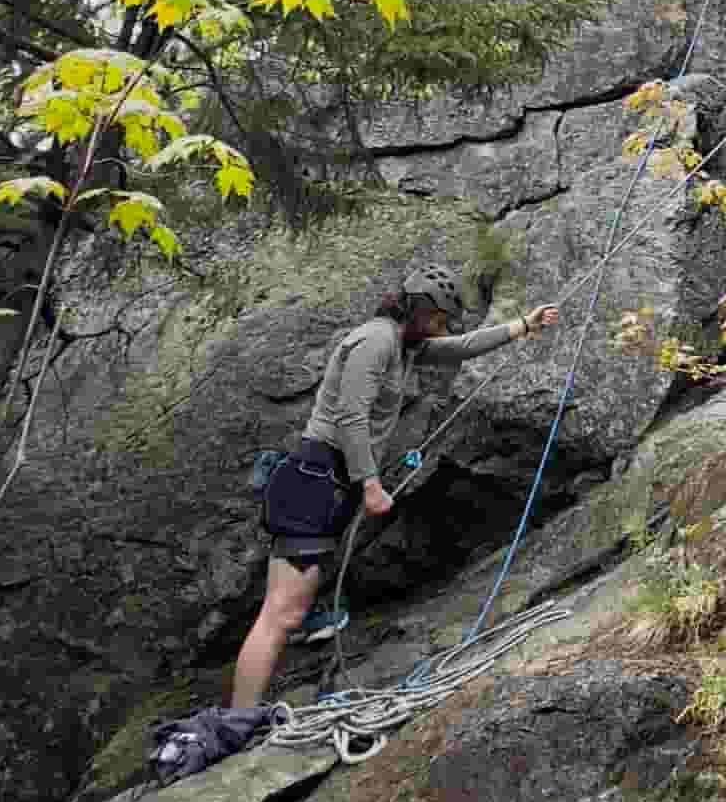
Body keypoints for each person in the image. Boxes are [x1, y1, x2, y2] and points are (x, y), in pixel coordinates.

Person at [229, 260, 560, 706]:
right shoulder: (375, 341)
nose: (443, 329)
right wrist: (369, 483)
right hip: (316, 479)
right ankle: (238, 720)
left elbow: (460, 347)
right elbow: (350, 416)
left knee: (288, 612)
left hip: (328, 484)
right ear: (422, 310)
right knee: (280, 615)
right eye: (440, 319)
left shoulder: (407, 345)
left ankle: (246, 713)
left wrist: (523, 326)